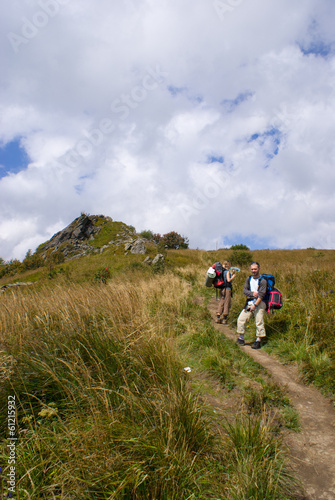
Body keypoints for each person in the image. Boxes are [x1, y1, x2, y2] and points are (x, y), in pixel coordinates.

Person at [236, 261, 267, 349]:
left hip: (260, 303)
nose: (253, 271)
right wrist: (252, 293)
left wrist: (255, 305)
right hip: (249, 302)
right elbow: (244, 291)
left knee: (259, 321)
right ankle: (241, 337)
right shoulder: (248, 279)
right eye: (252, 269)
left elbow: (261, 295)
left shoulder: (263, 280)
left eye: (255, 269)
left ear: (259, 269)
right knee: (241, 319)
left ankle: (258, 340)